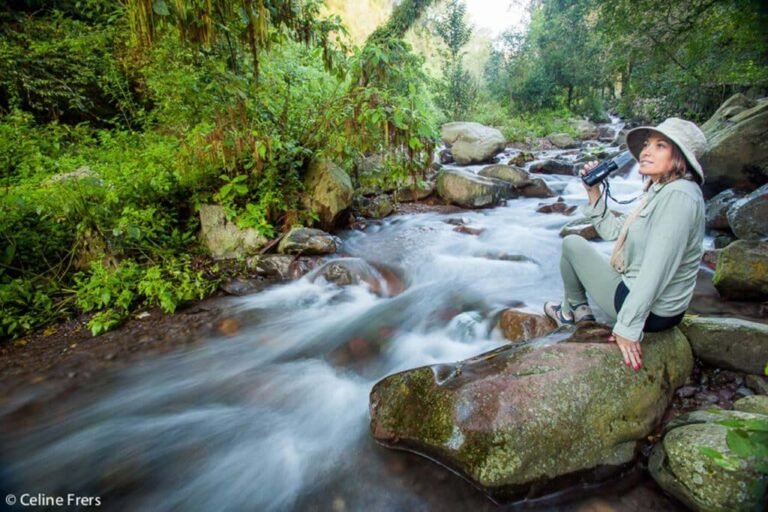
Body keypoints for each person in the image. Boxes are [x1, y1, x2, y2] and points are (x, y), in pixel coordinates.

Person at [544, 117, 708, 371]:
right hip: (656, 303)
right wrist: (594, 192)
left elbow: (657, 268)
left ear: (680, 158)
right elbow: (614, 232)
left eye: (660, 146)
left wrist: (628, 328)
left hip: (653, 311)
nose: (646, 151)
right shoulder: (662, 190)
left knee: (572, 244)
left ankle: (572, 311)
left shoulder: (678, 196)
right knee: (574, 242)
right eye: (646, 144)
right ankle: (576, 310)